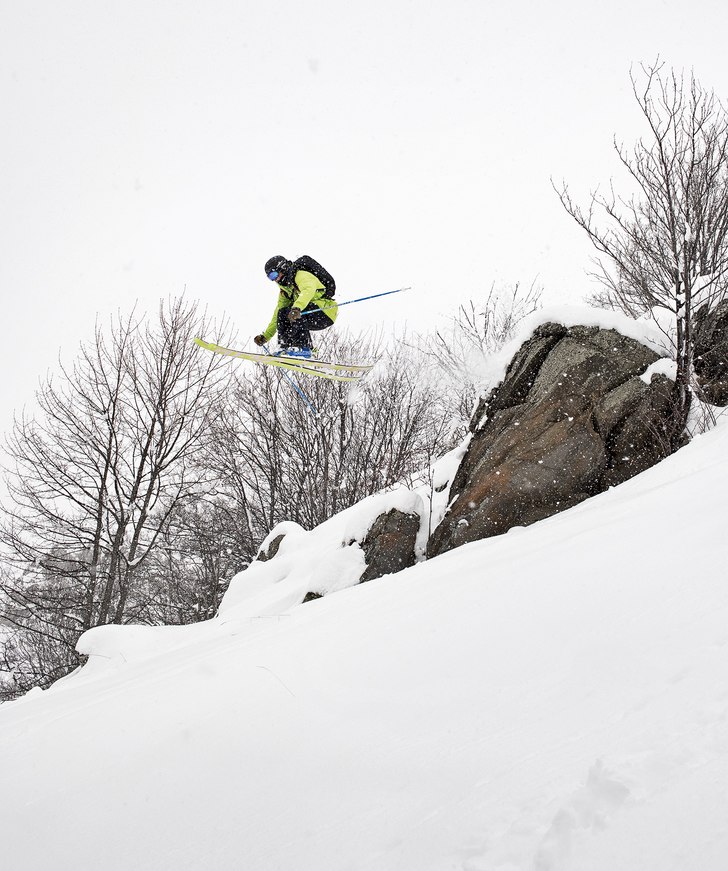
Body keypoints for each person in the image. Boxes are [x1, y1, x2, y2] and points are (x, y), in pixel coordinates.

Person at [254, 255, 338, 358]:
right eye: (270, 277)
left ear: (283, 268)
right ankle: (286, 347)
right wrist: (266, 336)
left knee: (294, 313)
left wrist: (297, 307)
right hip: (310, 314)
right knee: (283, 313)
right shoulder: (286, 290)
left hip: (324, 312)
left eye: (274, 274)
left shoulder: (300, 275)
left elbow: (308, 290)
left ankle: (303, 347)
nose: (274, 279)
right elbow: (278, 314)